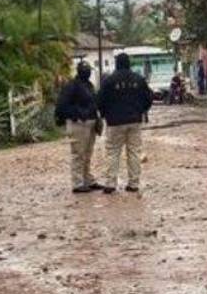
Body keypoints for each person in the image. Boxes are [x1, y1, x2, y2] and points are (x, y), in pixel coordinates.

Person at [98, 52, 153, 194]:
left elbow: (100, 100)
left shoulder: (109, 81)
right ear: (129, 63)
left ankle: (110, 184)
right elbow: (148, 98)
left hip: (114, 122)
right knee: (134, 151)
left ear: (117, 64)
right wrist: (141, 110)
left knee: (112, 152)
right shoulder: (139, 79)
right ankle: (134, 184)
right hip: (134, 120)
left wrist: (105, 115)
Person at [56, 61, 104, 194]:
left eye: (88, 70)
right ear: (79, 71)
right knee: (78, 154)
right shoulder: (71, 86)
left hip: (90, 123)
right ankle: (77, 183)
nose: (87, 72)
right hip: (78, 124)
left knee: (87, 154)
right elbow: (61, 106)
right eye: (85, 69)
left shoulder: (89, 85)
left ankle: (87, 179)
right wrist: (79, 114)